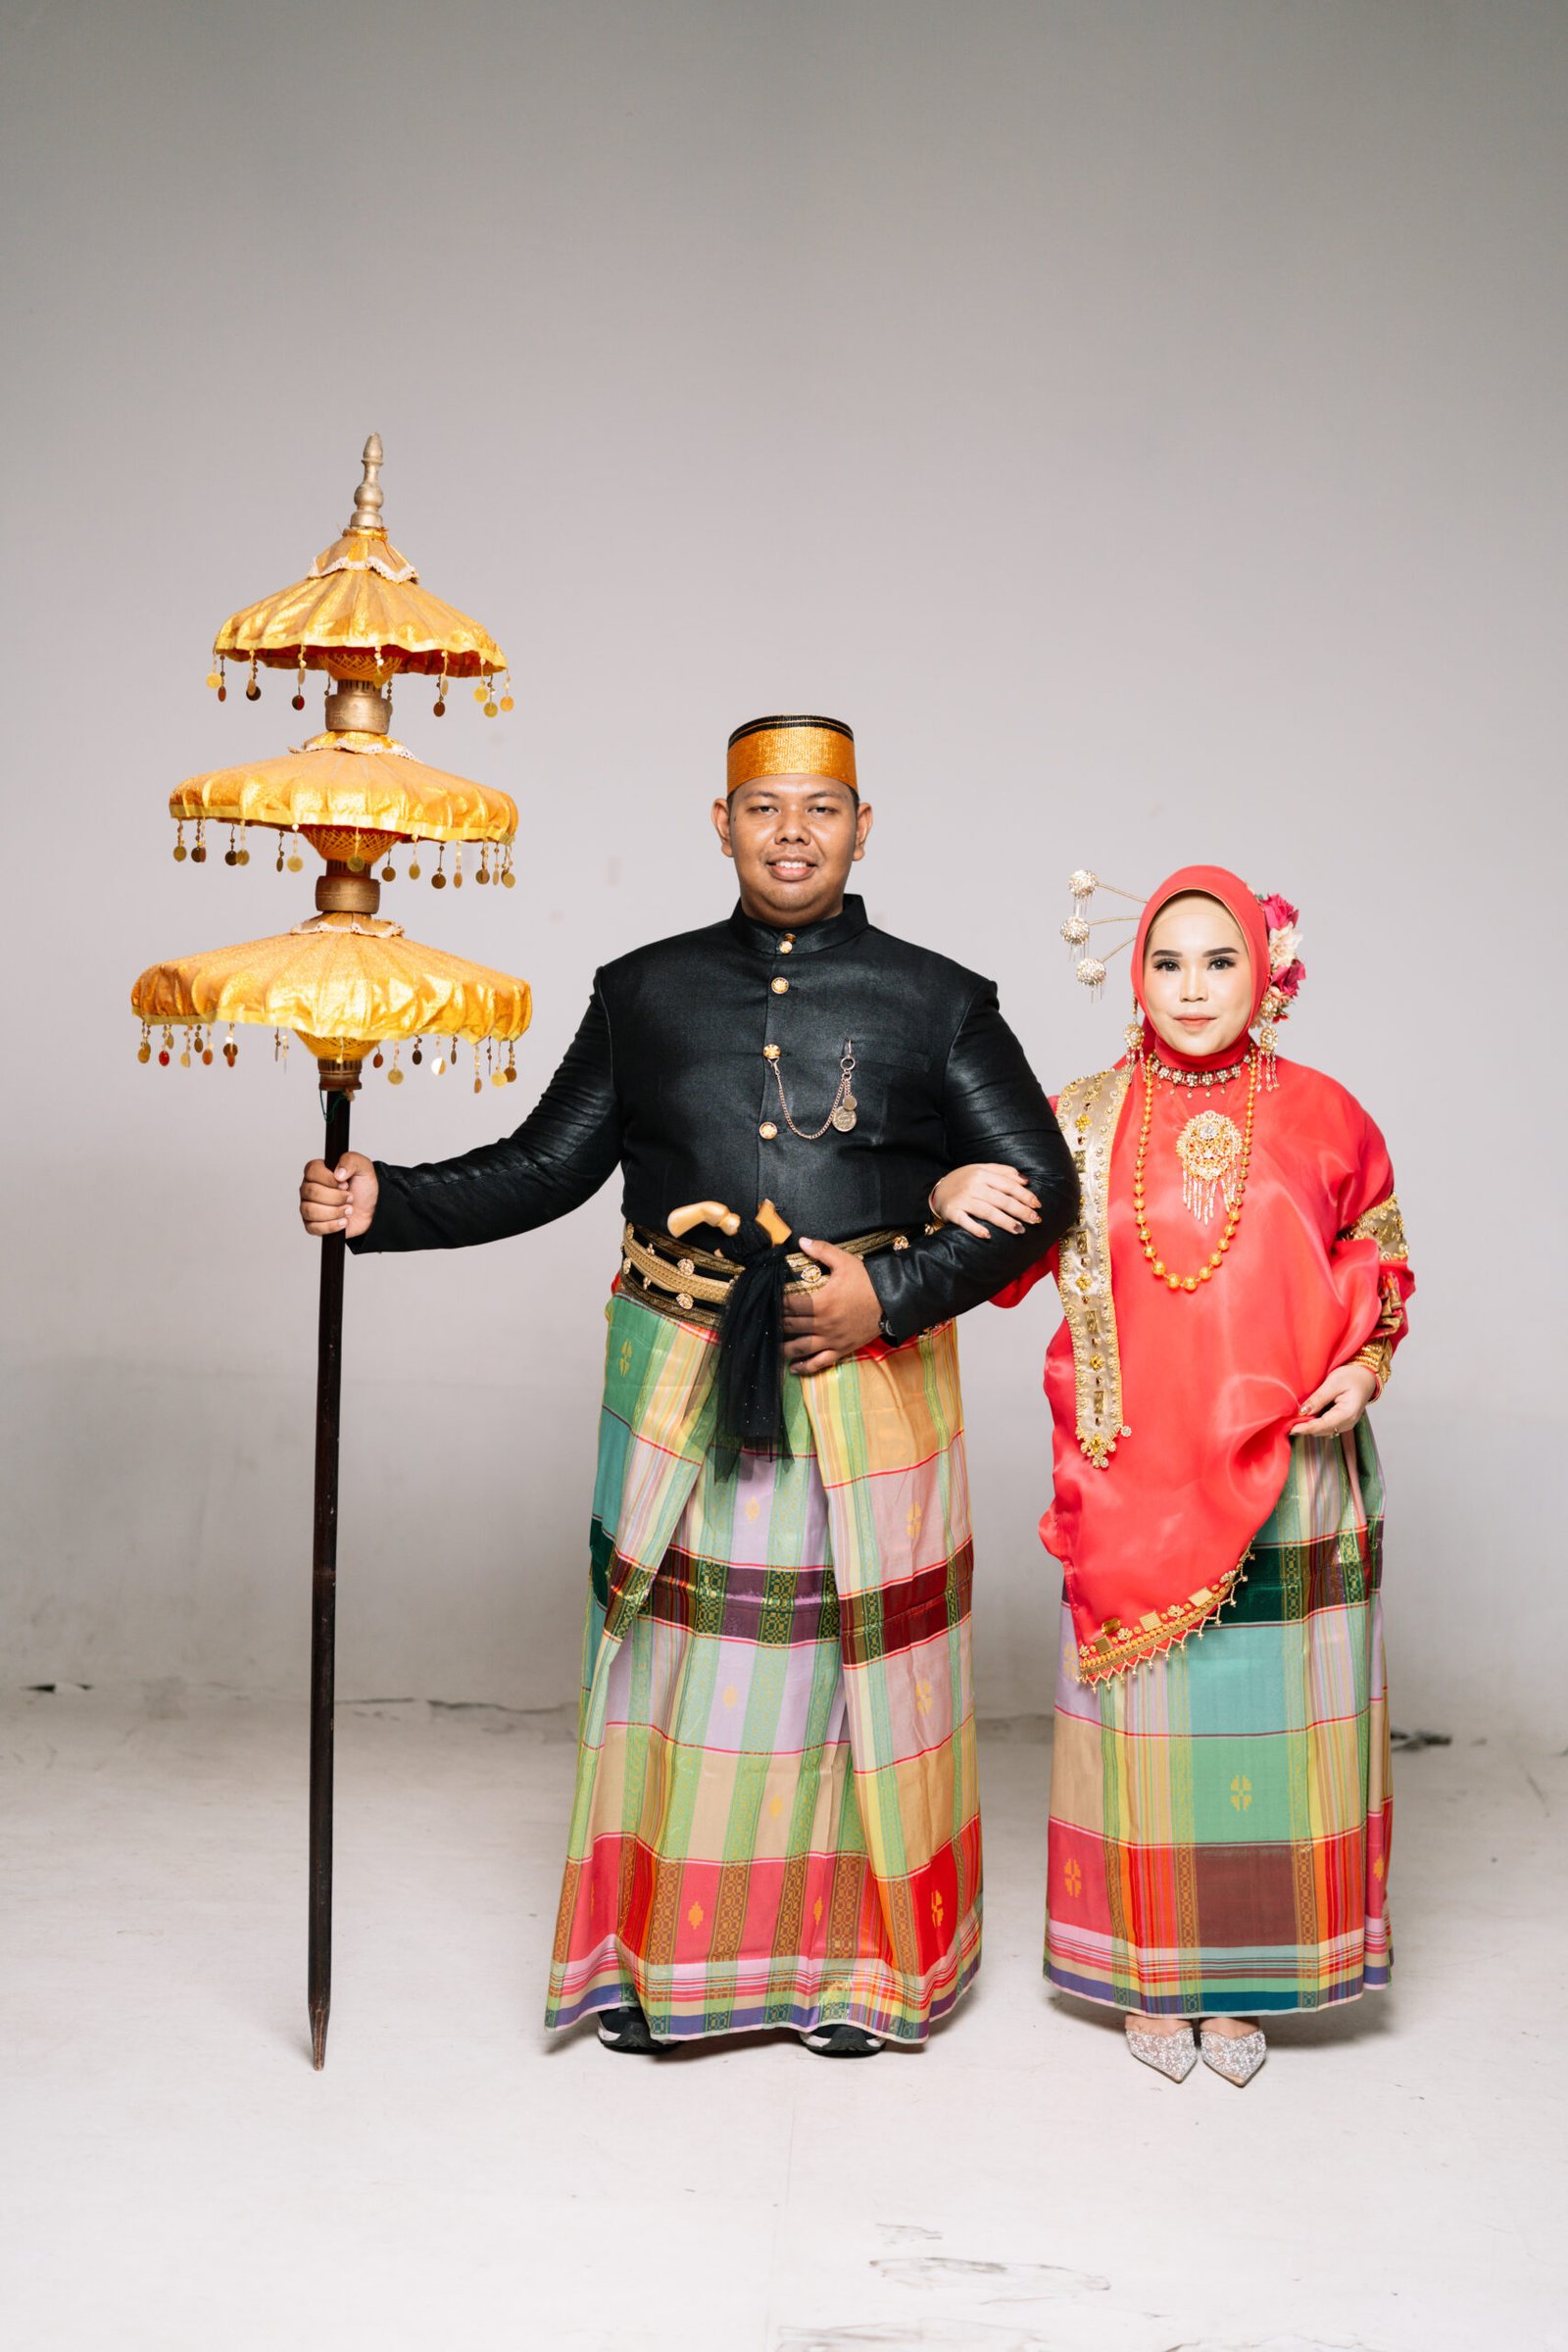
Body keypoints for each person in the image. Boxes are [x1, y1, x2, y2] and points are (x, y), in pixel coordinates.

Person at [299, 714, 1077, 2056]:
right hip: (678, 1365)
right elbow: (547, 1168)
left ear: (863, 826)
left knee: (853, 1674)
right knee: (677, 1670)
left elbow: (1042, 1192)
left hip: (863, 1375)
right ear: (721, 825)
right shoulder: (644, 991)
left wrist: (888, 1294)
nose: (792, 833)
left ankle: (860, 1977)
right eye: (763, 808)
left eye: (820, 808)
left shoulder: (939, 999)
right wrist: (388, 1202)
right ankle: (661, 1967)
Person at [934, 865, 1412, 2085]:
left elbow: (1379, 1259)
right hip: (1133, 1483)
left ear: (1266, 974)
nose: (1191, 989)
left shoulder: (1327, 1114)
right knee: (1147, 1737)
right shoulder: (1078, 1118)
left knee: (1271, 1731)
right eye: (1166, 962)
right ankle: (1149, 1971)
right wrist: (942, 1182)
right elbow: (987, 1251)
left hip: (1292, 1471)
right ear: (1134, 978)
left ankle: (1249, 1974)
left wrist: (1365, 1368)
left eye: (1218, 961)